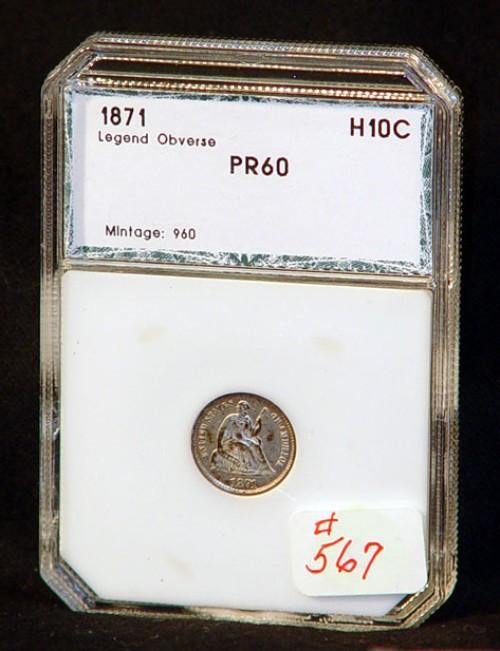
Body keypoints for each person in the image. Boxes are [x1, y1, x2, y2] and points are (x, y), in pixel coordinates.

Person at [210, 400, 274, 475]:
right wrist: (219, 444)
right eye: (243, 408)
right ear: (239, 409)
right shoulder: (231, 418)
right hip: (230, 440)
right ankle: (248, 468)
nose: (245, 411)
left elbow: (252, 434)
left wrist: (259, 424)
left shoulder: (247, 419)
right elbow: (221, 430)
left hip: (242, 440)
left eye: (246, 409)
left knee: (256, 445)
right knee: (244, 447)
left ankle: (263, 467)